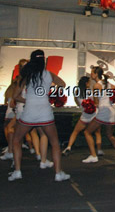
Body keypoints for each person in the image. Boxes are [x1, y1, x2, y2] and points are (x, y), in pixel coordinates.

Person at [9, 49, 70, 182]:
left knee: (16, 140)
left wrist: (29, 100)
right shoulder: (49, 74)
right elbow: (63, 84)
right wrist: (48, 91)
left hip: (29, 112)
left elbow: (15, 96)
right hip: (45, 112)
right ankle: (58, 173)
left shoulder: (26, 76)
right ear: (43, 61)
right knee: (54, 142)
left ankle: (17, 171)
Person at [82, 66, 115, 163]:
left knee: (87, 132)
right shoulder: (107, 83)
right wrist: (113, 99)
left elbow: (96, 100)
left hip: (103, 111)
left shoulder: (97, 85)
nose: (91, 74)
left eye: (92, 73)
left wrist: (91, 104)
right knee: (110, 135)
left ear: (96, 74)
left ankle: (93, 155)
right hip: (110, 111)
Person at [62, 76, 103, 156]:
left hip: (85, 115)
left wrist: (82, 106)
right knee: (97, 132)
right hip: (94, 115)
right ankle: (99, 150)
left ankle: (69, 147)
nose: (90, 83)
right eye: (89, 82)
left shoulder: (77, 91)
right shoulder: (90, 91)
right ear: (86, 83)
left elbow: (76, 102)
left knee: (75, 131)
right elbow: (95, 101)